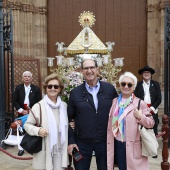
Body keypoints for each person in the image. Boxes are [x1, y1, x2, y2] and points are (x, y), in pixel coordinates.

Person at [67, 58, 118, 170]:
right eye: (86, 68)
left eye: (92, 67)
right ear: (81, 71)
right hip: (81, 143)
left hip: (105, 142)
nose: (89, 71)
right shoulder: (75, 93)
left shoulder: (109, 89)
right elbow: (67, 119)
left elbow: (118, 113)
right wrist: (71, 142)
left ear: (97, 69)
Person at [107, 72, 155, 170]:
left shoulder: (139, 103)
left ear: (134, 87)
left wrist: (141, 117)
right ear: (120, 85)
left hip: (134, 146)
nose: (126, 87)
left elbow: (151, 123)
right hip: (118, 143)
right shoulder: (114, 101)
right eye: (123, 84)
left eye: (129, 84)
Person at [24, 73, 68, 170]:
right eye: (50, 86)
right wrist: (38, 131)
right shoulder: (38, 106)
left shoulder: (64, 106)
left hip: (60, 150)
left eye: (56, 86)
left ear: (60, 89)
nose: (53, 88)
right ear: (46, 88)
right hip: (44, 149)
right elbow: (27, 125)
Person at [14, 71, 42, 156]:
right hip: (21, 113)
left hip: (32, 113)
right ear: (22, 78)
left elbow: (39, 101)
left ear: (31, 78)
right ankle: (21, 149)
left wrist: (31, 110)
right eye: (25, 76)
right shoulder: (18, 88)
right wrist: (21, 110)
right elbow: (14, 100)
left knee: (30, 130)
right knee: (21, 131)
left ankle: (31, 147)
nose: (27, 78)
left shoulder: (36, 89)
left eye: (28, 76)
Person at [134, 65, 162, 135]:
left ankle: (153, 143)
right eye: (144, 72)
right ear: (142, 74)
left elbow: (159, 98)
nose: (146, 74)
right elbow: (135, 98)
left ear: (151, 74)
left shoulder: (155, 84)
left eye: (148, 72)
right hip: (141, 110)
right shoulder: (138, 85)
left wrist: (152, 108)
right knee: (142, 129)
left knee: (153, 128)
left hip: (152, 109)